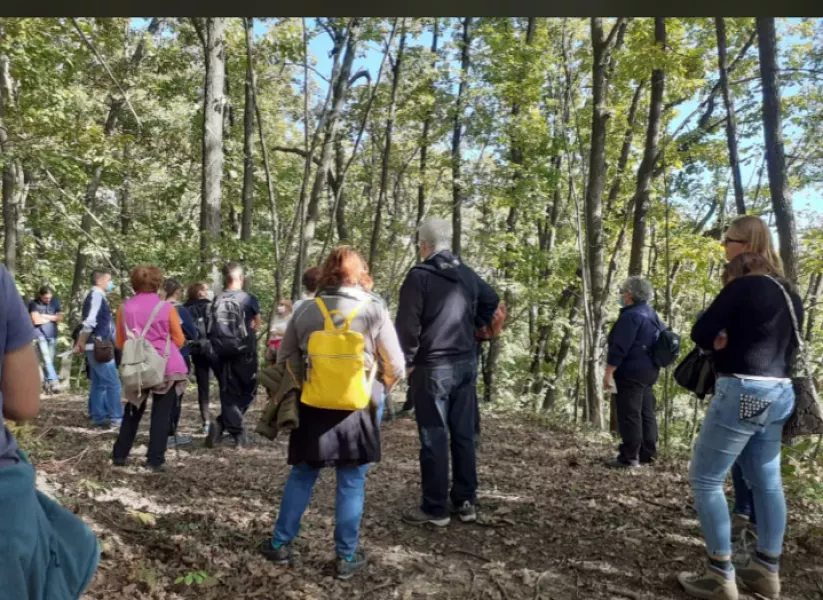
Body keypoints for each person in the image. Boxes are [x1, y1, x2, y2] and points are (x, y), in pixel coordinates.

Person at [260, 246, 405, 580]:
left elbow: (283, 360)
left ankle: (280, 544)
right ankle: (346, 557)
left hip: (312, 403)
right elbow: (396, 364)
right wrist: (381, 388)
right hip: (358, 406)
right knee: (352, 480)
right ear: (359, 273)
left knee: (303, 473)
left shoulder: (306, 309)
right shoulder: (374, 309)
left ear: (326, 272)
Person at [678, 216, 801, 600]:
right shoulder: (789, 293)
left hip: (744, 390)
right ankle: (767, 569)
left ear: (745, 244)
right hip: (780, 393)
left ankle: (720, 574)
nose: (723, 247)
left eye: (727, 240)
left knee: (706, 479)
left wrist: (722, 342)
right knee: (767, 480)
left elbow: (701, 333)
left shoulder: (744, 286)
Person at [0, 264, 101, 598]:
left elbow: (51, 321)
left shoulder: (54, 304)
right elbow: (24, 405)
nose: (46, 299)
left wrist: (47, 321)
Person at [396, 217, 499, 527]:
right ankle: (466, 500)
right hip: (466, 363)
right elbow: (491, 299)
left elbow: (407, 325)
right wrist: (476, 327)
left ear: (424, 245)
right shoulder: (465, 273)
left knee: (434, 436)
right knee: (464, 433)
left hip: (433, 366)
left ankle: (434, 508)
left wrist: (408, 359)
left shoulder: (419, 276)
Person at [111, 266, 189, 472]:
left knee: (133, 409)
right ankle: (155, 459)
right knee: (162, 413)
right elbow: (179, 339)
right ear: (158, 283)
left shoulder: (124, 308)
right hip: (166, 365)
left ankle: (119, 455)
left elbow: (120, 342)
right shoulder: (166, 308)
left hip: (136, 364)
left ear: (133, 283)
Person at [603, 276, 663, 469]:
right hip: (650, 370)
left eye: (623, 291)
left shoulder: (631, 316)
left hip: (631, 371)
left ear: (630, 294)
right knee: (646, 412)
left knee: (629, 413)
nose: (621, 295)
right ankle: (648, 454)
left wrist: (609, 371)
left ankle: (628, 458)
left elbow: (620, 347)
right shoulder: (652, 314)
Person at [205, 262, 261, 449]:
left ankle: (221, 424)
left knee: (229, 392)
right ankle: (237, 432)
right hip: (245, 352)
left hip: (220, 351)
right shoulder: (248, 299)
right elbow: (256, 324)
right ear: (240, 278)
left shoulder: (216, 299)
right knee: (249, 390)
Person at [74, 268, 123, 428]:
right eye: (109, 281)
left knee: (99, 383)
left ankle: (98, 417)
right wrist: (80, 341)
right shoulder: (95, 296)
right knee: (113, 383)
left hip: (94, 345)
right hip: (98, 346)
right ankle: (117, 418)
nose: (111, 284)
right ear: (100, 281)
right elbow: (90, 321)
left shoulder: (98, 296)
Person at [162, 278, 197, 449]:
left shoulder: (156, 309)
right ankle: (170, 433)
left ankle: (160, 431)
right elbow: (192, 332)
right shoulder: (179, 311)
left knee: (161, 394)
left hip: (157, 357)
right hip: (178, 357)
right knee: (176, 395)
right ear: (177, 292)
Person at [184, 281, 218, 433]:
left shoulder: (185, 308)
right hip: (214, 348)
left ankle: (206, 422)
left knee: (203, 388)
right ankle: (227, 420)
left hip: (197, 349)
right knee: (224, 383)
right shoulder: (212, 307)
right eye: (206, 289)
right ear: (201, 292)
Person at [29, 284, 63, 393]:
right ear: (40, 296)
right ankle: (55, 381)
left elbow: (59, 318)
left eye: (49, 297)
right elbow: (36, 321)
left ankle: (48, 386)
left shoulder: (55, 301)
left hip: (52, 334)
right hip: (40, 334)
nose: (48, 300)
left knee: (49, 361)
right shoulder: (33, 304)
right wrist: (51, 318)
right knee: (47, 358)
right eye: (45, 298)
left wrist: (43, 316)